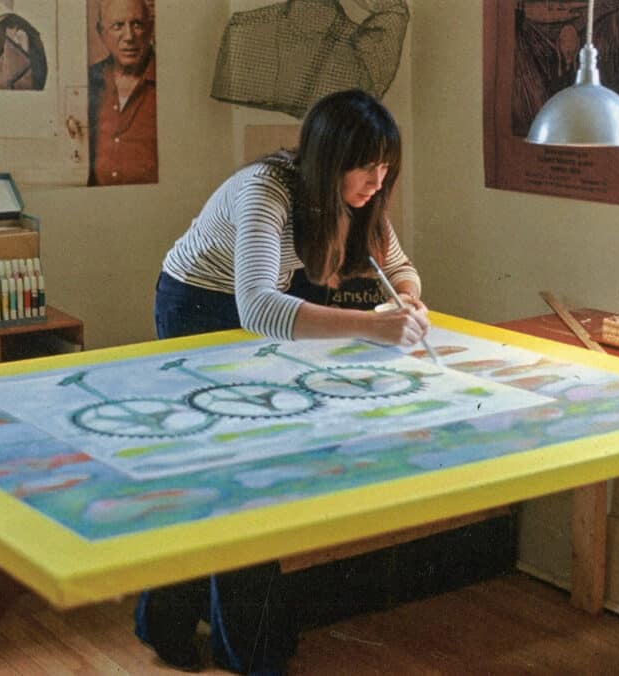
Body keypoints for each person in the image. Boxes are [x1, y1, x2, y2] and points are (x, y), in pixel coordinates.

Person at [139, 89, 430, 675]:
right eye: (365, 166)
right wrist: (372, 329)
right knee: (228, 472)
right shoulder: (264, 190)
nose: (377, 180)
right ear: (329, 159)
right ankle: (236, 644)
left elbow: (398, 267)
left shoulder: (361, 196)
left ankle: (195, 628)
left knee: (238, 471)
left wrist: (407, 301)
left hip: (266, 302)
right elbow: (257, 309)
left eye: (385, 167)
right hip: (198, 306)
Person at [88, 0, 158, 186]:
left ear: (150, 29)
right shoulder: (88, 81)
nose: (129, 36)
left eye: (137, 25)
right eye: (118, 26)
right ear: (101, 33)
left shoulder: (168, 82)